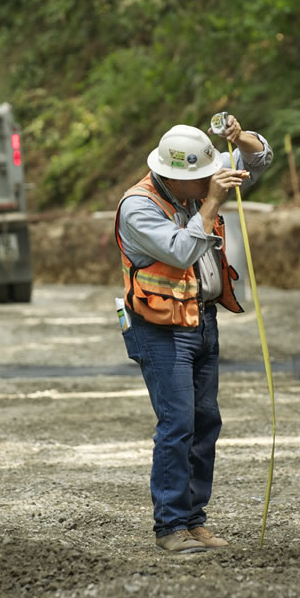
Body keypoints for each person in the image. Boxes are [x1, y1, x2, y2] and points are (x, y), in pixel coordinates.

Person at [114, 115, 273, 553]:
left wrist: (239, 139)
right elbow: (182, 250)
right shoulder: (138, 207)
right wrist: (213, 203)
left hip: (202, 320)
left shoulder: (195, 183)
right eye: (200, 179)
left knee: (205, 424)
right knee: (178, 425)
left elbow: (260, 158)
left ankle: (193, 519)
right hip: (160, 329)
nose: (209, 181)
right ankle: (170, 527)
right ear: (170, 175)